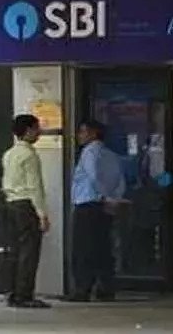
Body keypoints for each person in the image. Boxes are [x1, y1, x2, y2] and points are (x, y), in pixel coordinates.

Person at [67, 118, 125, 302]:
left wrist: (102, 195)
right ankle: (106, 287)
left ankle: (82, 289)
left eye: (83, 132)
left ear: (93, 133)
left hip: (88, 203)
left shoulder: (89, 152)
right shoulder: (111, 155)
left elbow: (94, 176)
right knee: (103, 248)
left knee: (83, 249)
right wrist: (113, 198)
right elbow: (120, 179)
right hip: (106, 206)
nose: (79, 136)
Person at [0, 114, 52, 309]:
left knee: (15, 250)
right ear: (28, 130)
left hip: (11, 203)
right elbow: (34, 187)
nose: (39, 132)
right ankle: (25, 294)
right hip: (26, 205)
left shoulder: (9, 154)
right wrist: (42, 214)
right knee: (29, 252)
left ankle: (13, 293)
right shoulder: (30, 155)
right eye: (37, 128)